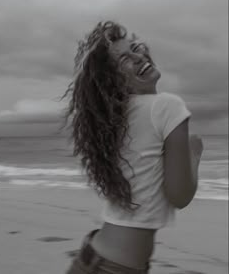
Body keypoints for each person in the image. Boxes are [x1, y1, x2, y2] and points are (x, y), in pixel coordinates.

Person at [60, 21, 204, 274]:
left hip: (94, 256)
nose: (139, 57)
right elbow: (180, 196)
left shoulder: (115, 122)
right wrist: (195, 154)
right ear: (112, 81)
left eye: (136, 48)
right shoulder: (167, 106)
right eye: (125, 59)